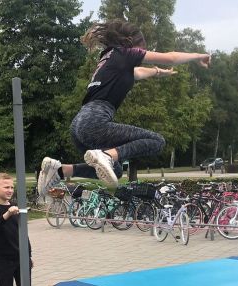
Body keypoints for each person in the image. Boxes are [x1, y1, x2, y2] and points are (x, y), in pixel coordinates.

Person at [37, 19, 211, 192]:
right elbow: (171, 58)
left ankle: (59, 170)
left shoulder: (109, 57)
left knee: (116, 170)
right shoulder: (126, 53)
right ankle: (106, 155)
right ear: (132, 43)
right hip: (95, 120)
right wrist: (197, 56)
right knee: (157, 141)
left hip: (78, 125)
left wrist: (158, 72)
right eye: (142, 48)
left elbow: (137, 73)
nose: (142, 53)